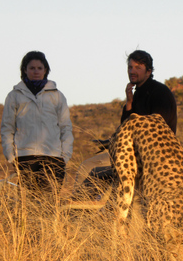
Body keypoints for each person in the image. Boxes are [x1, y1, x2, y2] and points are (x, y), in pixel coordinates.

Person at [74, 50, 177, 198]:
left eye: (138, 67)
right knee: (87, 166)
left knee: (91, 169)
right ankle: (79, 210)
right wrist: (129, 102)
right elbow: (125, 127)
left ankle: (77, 211)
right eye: (130, 67)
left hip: (151, 159)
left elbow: (158, 130)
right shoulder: (137, 93)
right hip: (130, 153)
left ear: (149, 71)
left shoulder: (159, 92)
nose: (132, 71)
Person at [1, 51, 73, 194]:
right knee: (30, 204)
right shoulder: (14, 96)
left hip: (53, 158)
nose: (36, 71)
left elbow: (66, 127)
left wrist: (65, 156)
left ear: (45, 70)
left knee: (50, 204)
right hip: (25, 157)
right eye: (32, 68)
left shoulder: (57, 95)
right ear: (25, 70)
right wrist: (11, 156)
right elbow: (7, 128)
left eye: (40, 68)